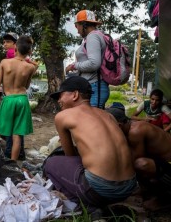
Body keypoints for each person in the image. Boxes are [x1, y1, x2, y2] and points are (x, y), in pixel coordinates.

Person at [44, 76, 137, 220]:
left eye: (61, 95)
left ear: (75, 95)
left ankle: (85, 205)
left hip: (100, 190)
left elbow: (70, 156)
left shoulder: (63, 116)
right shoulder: (108, 115)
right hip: (128, 187)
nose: (59, 100)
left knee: (51, 163)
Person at [106, 104, 171, 211]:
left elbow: (133, 163)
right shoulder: (130, 127)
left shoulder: (135, 132)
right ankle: (146, 190)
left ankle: (166, 198)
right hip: (168, 168)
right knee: (136, 162)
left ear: (118, 126)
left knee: (140, 164)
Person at [0, 35, 37, 161]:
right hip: (22, 100)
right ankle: (13, 163)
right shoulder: (30, 67)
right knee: (17, 135)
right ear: (29, 51)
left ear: (16, 47)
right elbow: (27, 86)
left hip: (8, 99)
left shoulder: (5, 62)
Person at [65, 10, 108, 109]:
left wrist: (74, 66)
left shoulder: (93, 37)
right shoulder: (95, 36)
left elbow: (94, 63)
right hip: (94, 87)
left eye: (77, 26)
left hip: (95, 87)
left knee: (92, 123)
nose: (77, 30)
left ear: (83, 25)